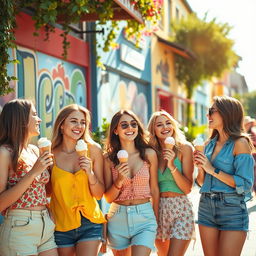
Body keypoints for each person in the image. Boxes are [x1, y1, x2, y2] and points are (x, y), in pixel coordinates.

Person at [194, 96, 254, 256]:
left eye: (211, 111)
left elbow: (245, 184)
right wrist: (201, 168)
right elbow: (201, 182)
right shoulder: (208, 144)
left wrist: (212, 169)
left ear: (227, 114)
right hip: (206, 205)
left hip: (232, 208)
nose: (208, 116)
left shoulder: (240, 143)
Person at [0, 99, 57, 256]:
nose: (39, 119)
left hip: (45, 223)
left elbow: (44, 191)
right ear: (21, 119)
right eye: (34, 115)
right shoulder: (5, 152)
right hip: (19, 226)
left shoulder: (34, 150)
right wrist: (33, 172)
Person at [49, 104, 106, 256]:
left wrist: (90, 173)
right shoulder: (50, 154)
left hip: (90, 222)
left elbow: (99, 194)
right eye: (74, 121)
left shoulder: (93, 150)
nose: (79, 126)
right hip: (61, 224)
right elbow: (48, 192)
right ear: (61, 125)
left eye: (83, 122)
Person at [104, 110, 159, 256]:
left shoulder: (149, 154)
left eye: (133, 124)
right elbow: (108, 198)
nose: (130, 128)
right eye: (124, 125)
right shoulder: (109, 159)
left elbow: (154, 189)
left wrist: (156, 218)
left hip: (145, 217)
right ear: (115, 130)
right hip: (117, 218)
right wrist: (120, 180)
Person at [147, 110, 195, 256]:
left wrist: (172, 165)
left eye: (168, 123)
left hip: (181, 208)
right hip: (158, 207)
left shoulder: (184, 148)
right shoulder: (151, 152)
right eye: (159, 125)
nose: (165, 127)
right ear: (153, 130)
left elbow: (187, 188)